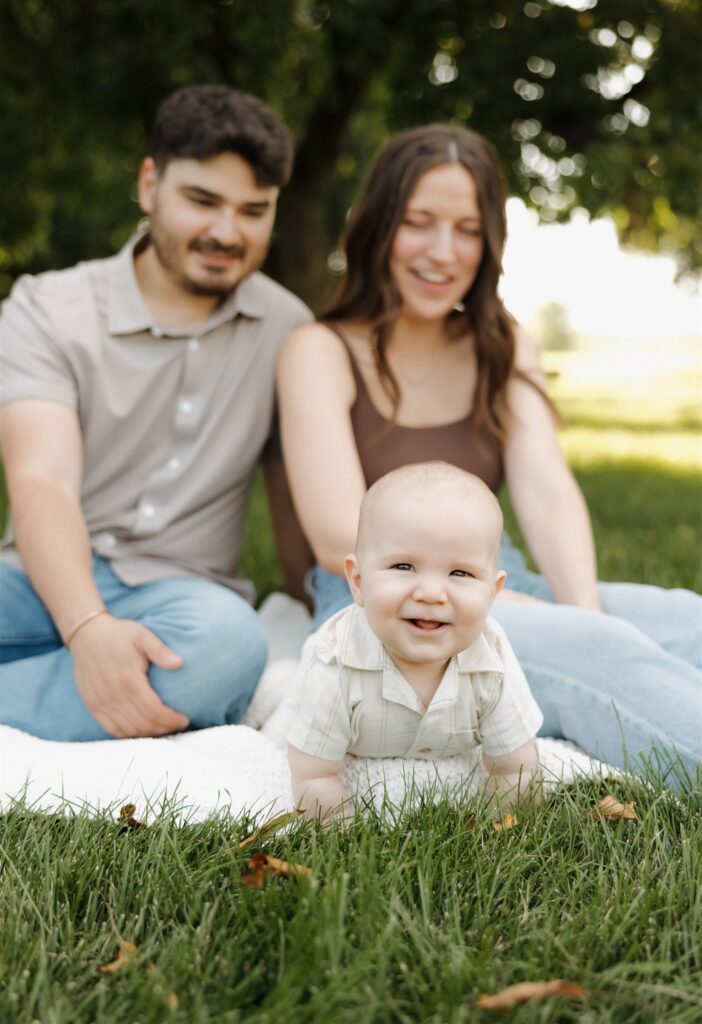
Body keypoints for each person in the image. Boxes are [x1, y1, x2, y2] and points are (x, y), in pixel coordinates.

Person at [277, 123, 702, 780]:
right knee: (602, 655)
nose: (443, 252)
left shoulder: (502, 342)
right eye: (419, 223)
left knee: (686, 619)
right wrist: (573, 632)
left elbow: (547, 491)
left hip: (493, 581)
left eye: (468, 230)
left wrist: (581, 610)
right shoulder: (319, 350)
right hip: (385, 610)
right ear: (379, 226)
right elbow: (339, 536)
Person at [0, 84, 311, 742]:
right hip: (33, 581)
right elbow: (41, 480)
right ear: (149, 185)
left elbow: (299, 499)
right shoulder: (46, 308)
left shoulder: (291, 329)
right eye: (202, 201)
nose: (226, 232)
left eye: (253, 211)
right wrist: (88, 629)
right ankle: (87, 689)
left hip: (183, 604)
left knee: (228, 648)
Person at [287, 462, 543, 819]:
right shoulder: (333, 660)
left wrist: (506, 825)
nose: (431, 593)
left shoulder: (492, 656)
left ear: (492, 591)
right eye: (404, 567)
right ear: (358, 581)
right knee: (285, 697)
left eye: (460, 572)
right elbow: (314, 774)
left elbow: (516, 768)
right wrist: (339, 832)